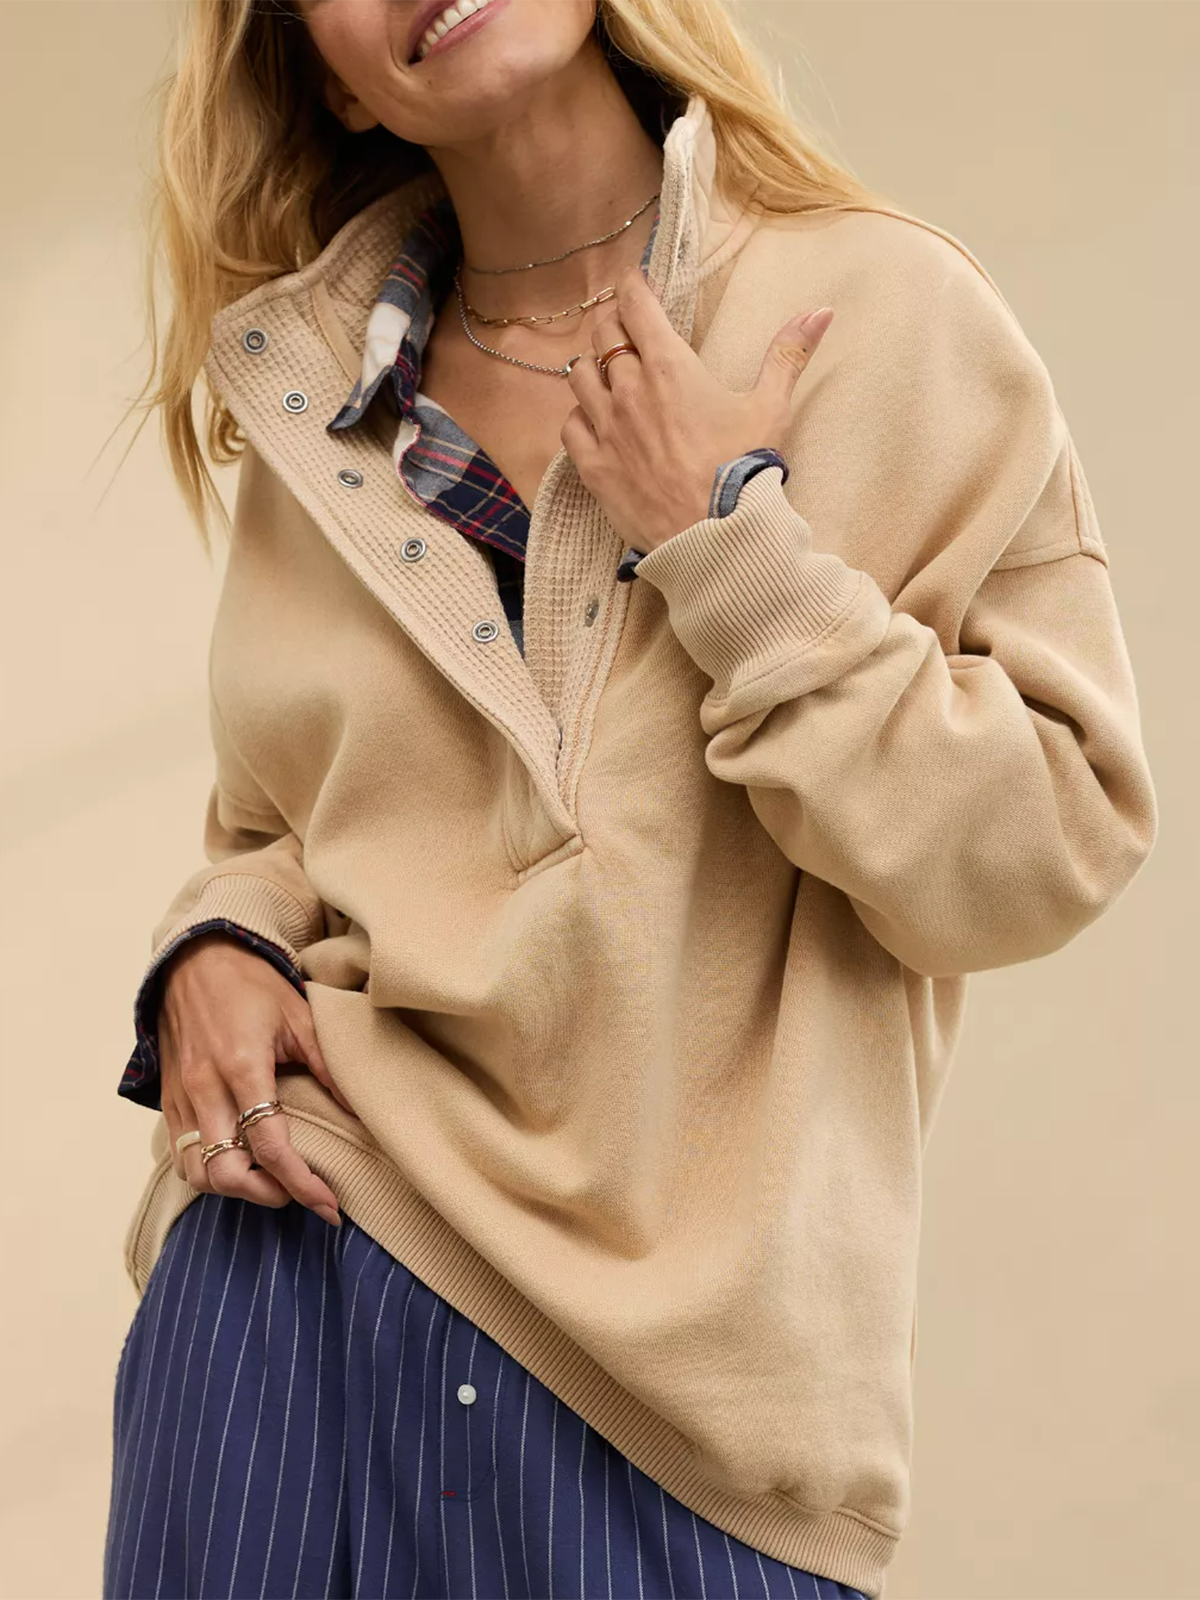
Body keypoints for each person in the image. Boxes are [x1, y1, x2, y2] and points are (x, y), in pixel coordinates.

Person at [103, 1, 1157, 1596]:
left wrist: (728, 543)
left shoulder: (886, 314)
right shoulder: (317, 405)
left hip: (691, 1427)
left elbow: (1046, 845)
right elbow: (278, 830)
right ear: (335, 80)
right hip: (297, 1289)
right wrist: (216, 944)